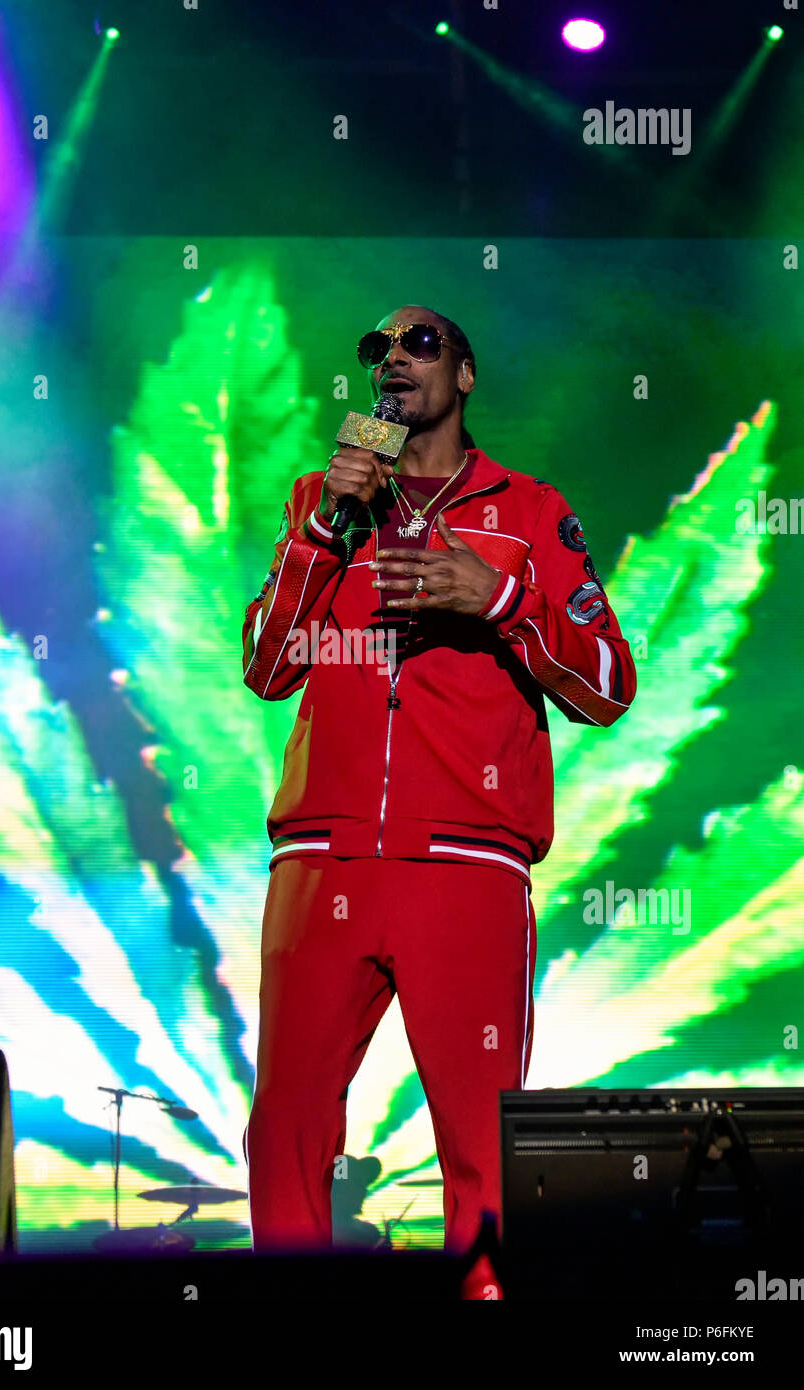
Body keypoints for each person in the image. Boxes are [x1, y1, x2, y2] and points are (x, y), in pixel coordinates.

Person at [240, 305, 637, 1295]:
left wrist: (496, 598)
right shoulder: (319, 507)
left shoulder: (529, 511)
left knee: (481, 1132)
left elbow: (605, 686)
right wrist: (323, 531)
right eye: (374, 349)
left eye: (418, 344)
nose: (390, 362)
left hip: (465, 865)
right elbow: (266, 667)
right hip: (320, 862)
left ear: (463, 374)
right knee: (283, 1123)